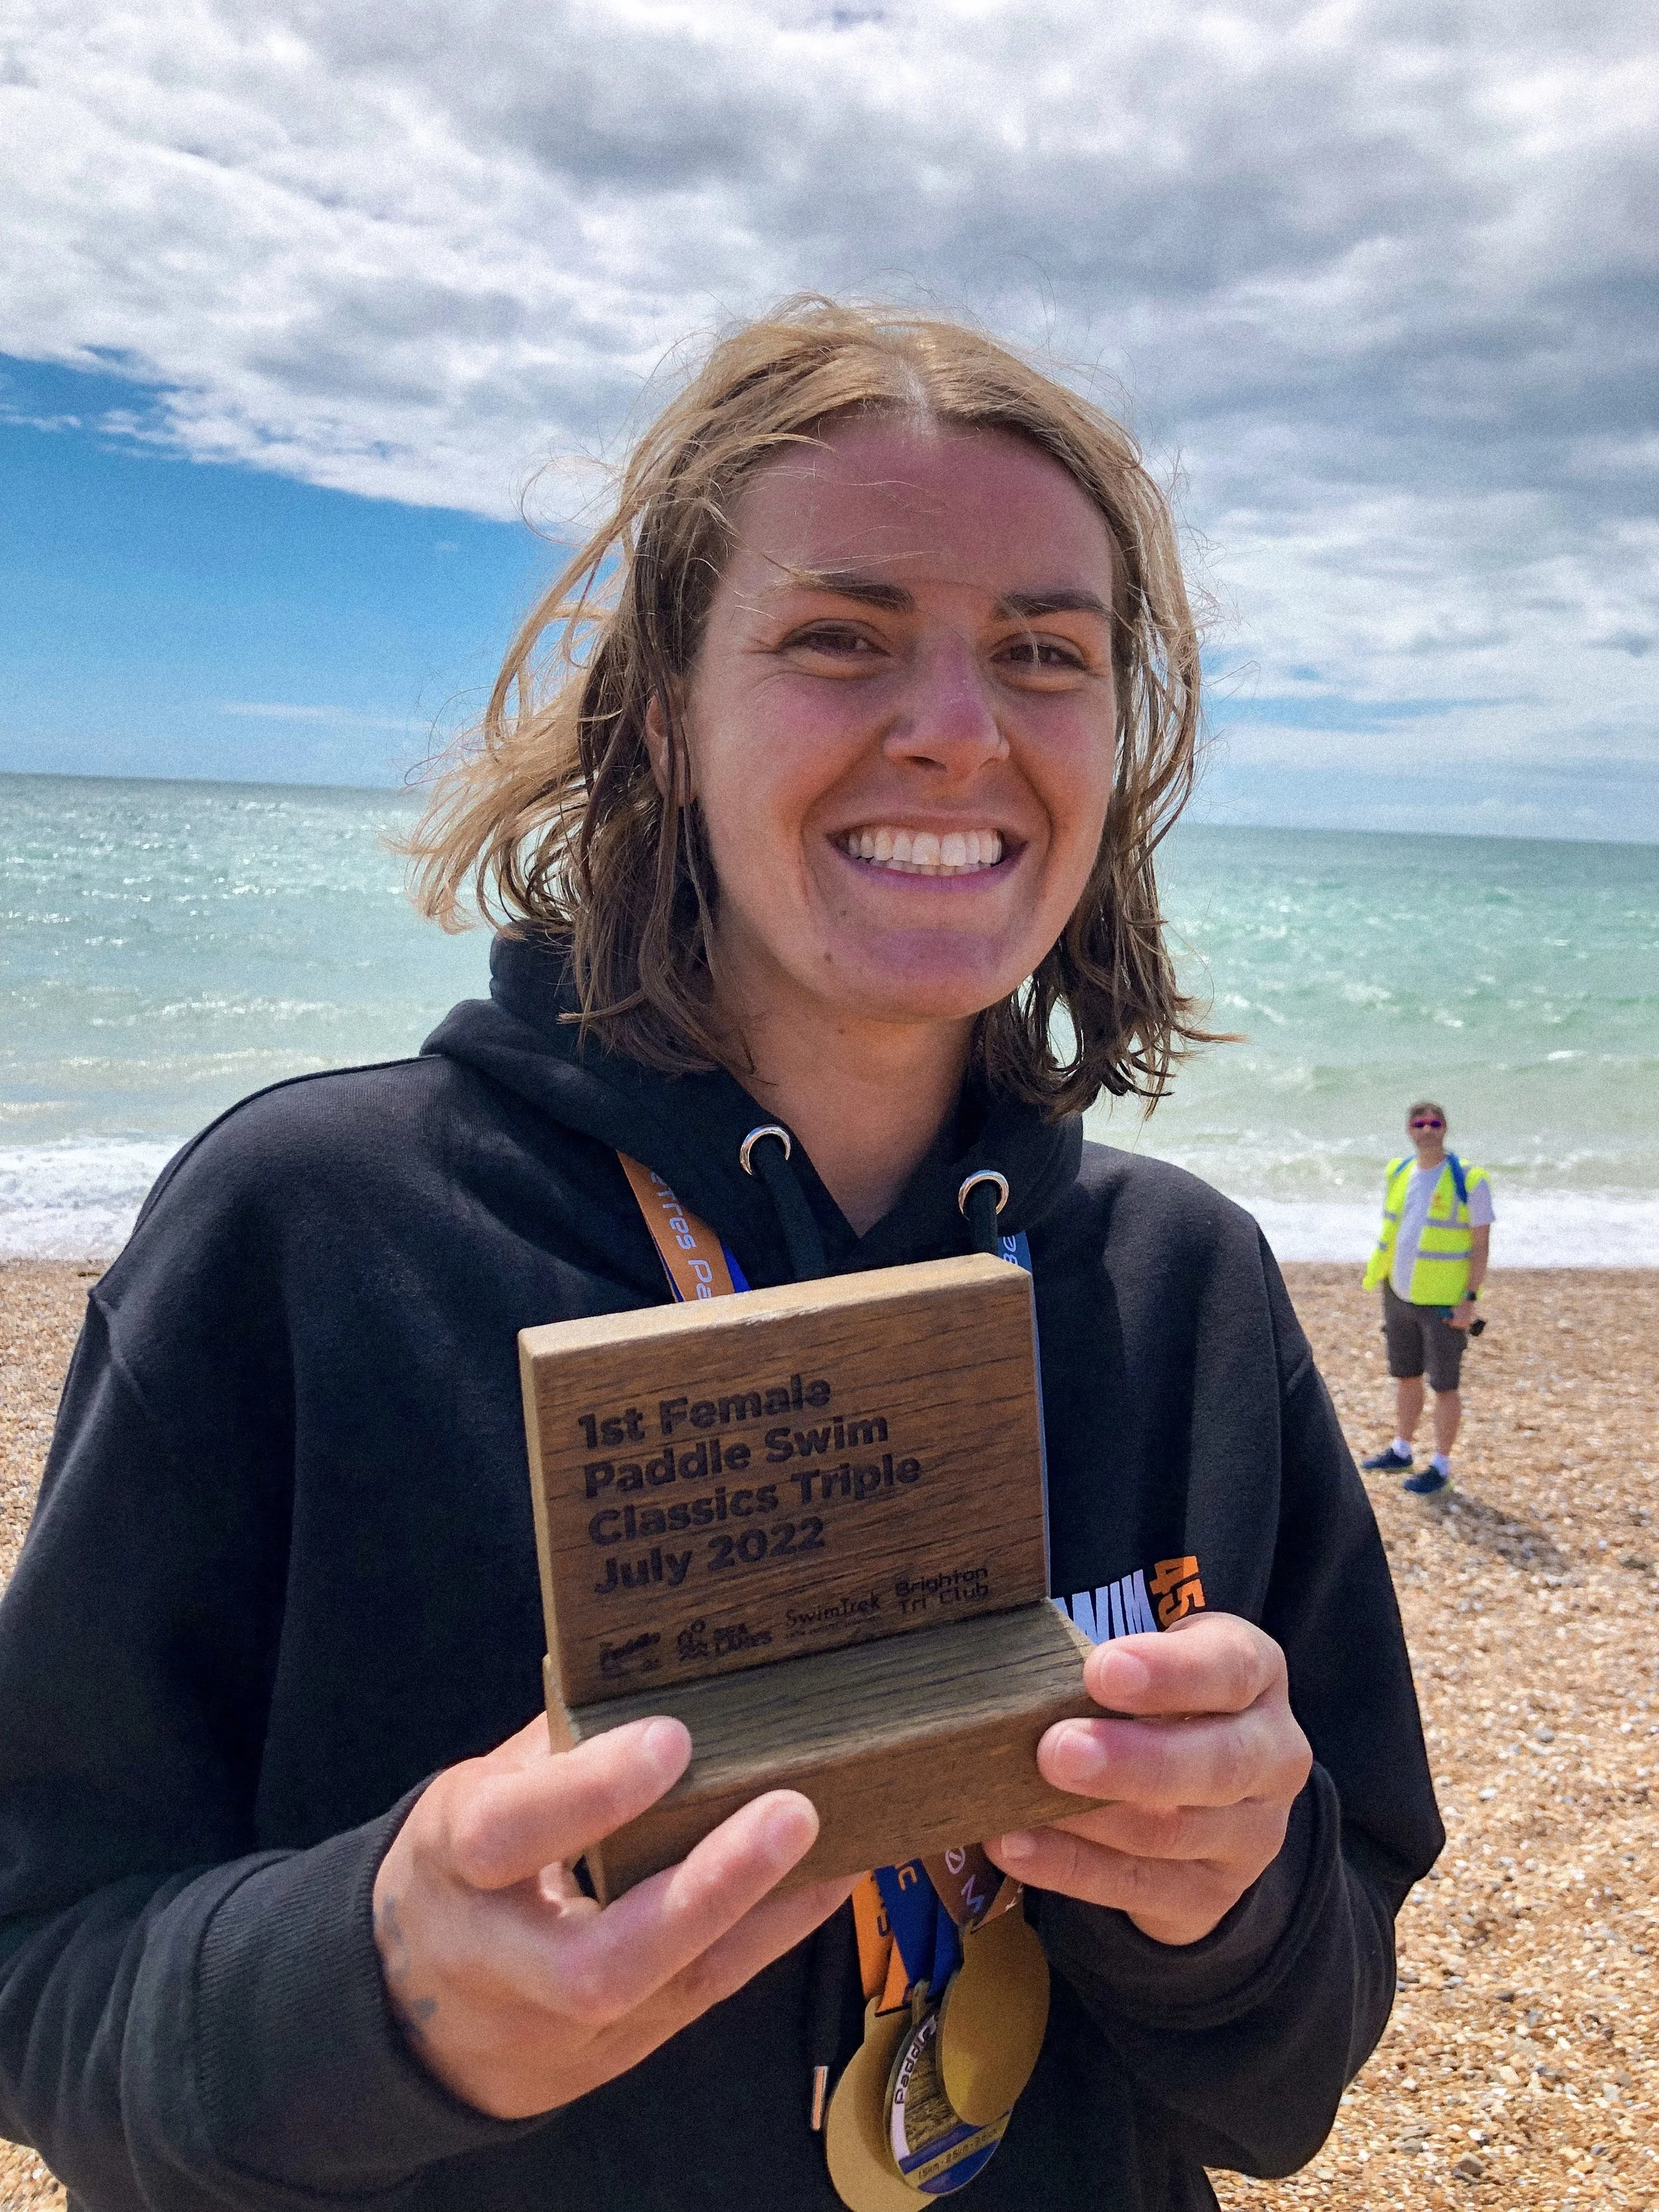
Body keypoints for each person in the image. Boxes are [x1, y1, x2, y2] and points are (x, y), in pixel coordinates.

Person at [0, 301, 1440, 2212]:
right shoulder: (308, 1234)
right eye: (839, 637)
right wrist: (373, 1981)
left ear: (1119, 736)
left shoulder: (1179, 1291)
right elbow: (42, 1982)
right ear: (667, 711)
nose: (955, 722)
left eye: (1045, 652)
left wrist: (1232, 1906)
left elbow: (1294, 2075)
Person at [1360, 1102, 1494, 1497]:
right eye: (1419, 1123)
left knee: (1445, 1386)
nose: (1427, 1129)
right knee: (1406, 1377)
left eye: (1434, 1123)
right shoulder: (1399, 1172)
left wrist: (1469, 1299)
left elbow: (1481, 1244)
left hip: (1444, 1304)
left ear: (1445, 1128)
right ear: (1409, 1130)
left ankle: (1440, 1463)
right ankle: (1401, 1449)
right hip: (1398, 1294)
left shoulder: (1469, 1179)